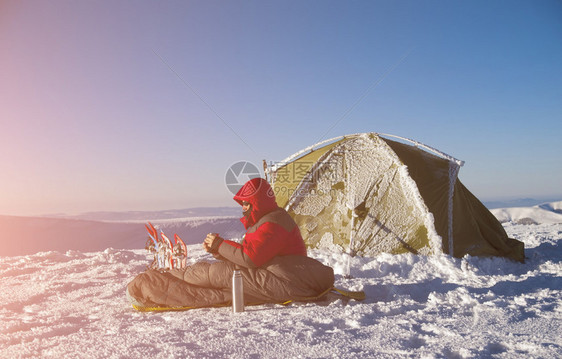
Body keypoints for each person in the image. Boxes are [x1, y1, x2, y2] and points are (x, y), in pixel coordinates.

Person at [127, 177, 334, 310]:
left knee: (218, 276)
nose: (243, 207)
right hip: (278, 273)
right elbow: (249, 253)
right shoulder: (266, 221)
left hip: (287, 278)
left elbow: (251, 258)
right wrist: (220, 251)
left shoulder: (274, 222)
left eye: (246, 202)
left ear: (257, 202)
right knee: (213, 274)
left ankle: (150, 287)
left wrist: (219, 245)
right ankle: (154, 283)